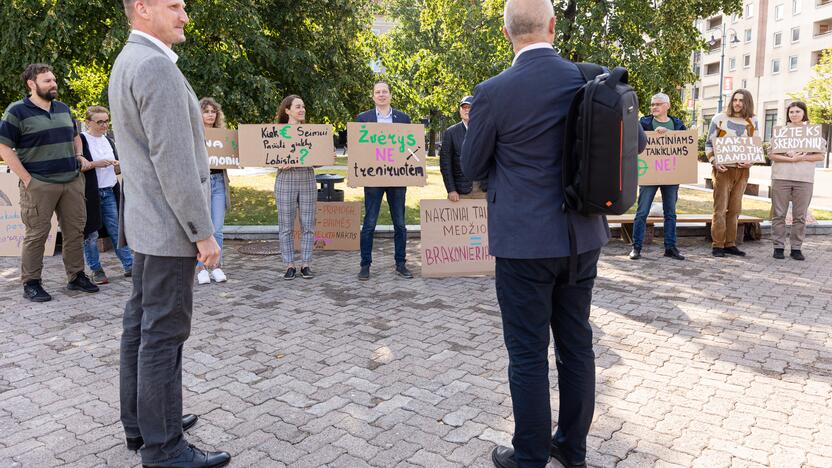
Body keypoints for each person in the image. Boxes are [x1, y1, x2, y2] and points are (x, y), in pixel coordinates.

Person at [461, 1, 646, 466]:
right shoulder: (591, 80)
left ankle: (529, 458)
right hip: (582, 238)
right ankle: (572, 448)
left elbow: (472, 167)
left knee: (526, 355)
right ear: (552, 26)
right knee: (576, 345)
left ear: (507, 34)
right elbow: (636, 142)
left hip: (524, 243)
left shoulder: (493, 92)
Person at [110, 1, 230, 467]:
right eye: (174, 5)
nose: (184, 15)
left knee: (141, 326)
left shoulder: (128, 59)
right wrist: (203, 234)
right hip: (168, 229)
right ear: (143, 8)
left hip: (147, 226)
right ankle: (164, 448)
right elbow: (175, 164)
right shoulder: (155, 66)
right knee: (164, 333)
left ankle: (144, 425)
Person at [0, 63, 99, 302]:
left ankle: (76, 277)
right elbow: (4, 146)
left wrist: (78, 156)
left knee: (75, 232)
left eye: (54, 80)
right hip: (39, 184)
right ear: (31, 84)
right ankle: (31, 283)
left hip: (71, 181)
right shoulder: (17, 111)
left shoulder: (63, 108)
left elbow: (75, 136)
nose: (53, 84)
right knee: (37, 234)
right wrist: (27, 179)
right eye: (47, 81)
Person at [357, 81, 413, 281]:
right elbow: (358, 150)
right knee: (369, 223)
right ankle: (365, 265)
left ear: (390, 95)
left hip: (397, 178)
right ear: (373, 96)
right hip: (373, 178)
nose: (381, 95)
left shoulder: (403, 118)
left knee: (400, 223)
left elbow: (409, 148)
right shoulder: (363, 119)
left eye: (384, 92)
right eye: (377, 92)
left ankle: (400, 263)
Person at [80, 105, 134, 284]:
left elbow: (116, 169)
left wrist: (120, 164)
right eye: (100, 122)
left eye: (106, 121)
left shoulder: (109, 140)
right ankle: (96, 270)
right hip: (90, 194)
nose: (104, 125)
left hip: (109, 190)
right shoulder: (81, 140)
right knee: (91, 234)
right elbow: (78, 166)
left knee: (117, 229)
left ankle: (130, 265)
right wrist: (97, 163)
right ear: (88, 122)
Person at [629, 93, 686, 261]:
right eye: (652, 104)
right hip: (650, 175)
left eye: (658, 104)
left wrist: (669, 133)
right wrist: (652, 134)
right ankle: (636, 247)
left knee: (670, 213)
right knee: (642, 212)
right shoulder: (644, 123)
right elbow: (634, 141)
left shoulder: (677, 124)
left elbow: (685, 143)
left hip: (671, 175)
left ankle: (670, 247)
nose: (654, 107)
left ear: (667, 106)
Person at [705, 89, 759, 257]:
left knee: (735, 208)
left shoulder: (753, 121)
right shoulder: (719, 119)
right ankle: (718, 244)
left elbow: (756, 146)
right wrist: (714, 161)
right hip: (723, 170)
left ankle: (730, 243)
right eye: (735, 100)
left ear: (747, 102)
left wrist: (751, 161)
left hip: (742, 171)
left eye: (741, 100)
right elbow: (708, 144)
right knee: (720, 208)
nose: (737, 103)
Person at [769, 101, 824, 261]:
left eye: (797, 111)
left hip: (804, 179)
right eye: (791, 112)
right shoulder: (781, 132)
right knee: (778, 214)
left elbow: (820, 155)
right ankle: (778, 247)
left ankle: (796, 248)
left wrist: (802, 157)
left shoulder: (812, 133)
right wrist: (791, 160)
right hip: (781, 178)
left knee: (800, 216)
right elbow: (772, 155)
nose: (794, 114)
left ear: (804, 113)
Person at [274, 94, 317, 280]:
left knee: (308, 224)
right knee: (286, 226)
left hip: (307, 178)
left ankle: (306, 264)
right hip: (286, 180)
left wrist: (325, 156)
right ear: (287, 110)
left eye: (303, 106)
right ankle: (289, 265)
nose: (302, 110)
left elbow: (318, 161)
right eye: (298, 107)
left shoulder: (312, 133)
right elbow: (266, 156)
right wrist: (277, 163)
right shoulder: (275, 132)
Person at [196, 97, 230, 285]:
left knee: (217, 229)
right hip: (200, 183)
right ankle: (200, 268)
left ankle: (216, 266)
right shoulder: (193, 135)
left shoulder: (222, 135)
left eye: (213, 111)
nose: (210, 114)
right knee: (202, 228)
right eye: (206, 111)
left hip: (218, 182)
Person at [440, 95, 487, 201]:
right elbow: (445, 165)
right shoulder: (450, 133)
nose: (466, 110)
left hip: (484, 190)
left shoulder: (486, 131)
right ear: (460, 110)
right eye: (464, 107)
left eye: (470, 107)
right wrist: (451, 190)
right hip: (461, 191)